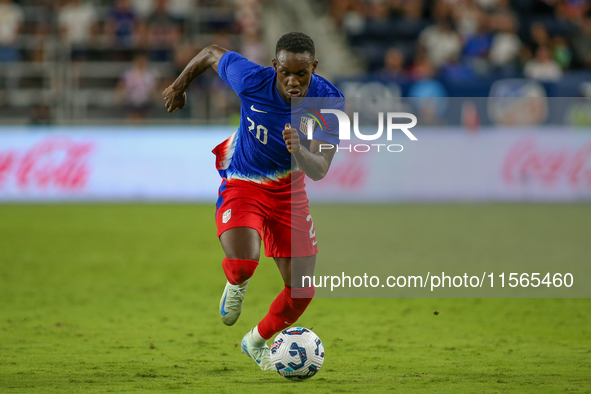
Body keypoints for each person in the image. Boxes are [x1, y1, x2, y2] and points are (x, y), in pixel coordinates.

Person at [162, 32, 343, 371]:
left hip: (290, 194)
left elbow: (320, 170)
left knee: (301, 292)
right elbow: (210, 53)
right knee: (245, 262)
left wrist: (300, 150)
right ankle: (236, 283)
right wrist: (178, 86)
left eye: (301, 74)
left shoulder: (327, 102)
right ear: (274, 66)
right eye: (285, 72)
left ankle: (255, 341)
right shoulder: (251, 79)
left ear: (313, 68)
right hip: (244, 181)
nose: (293, 81)